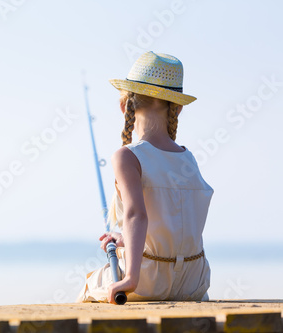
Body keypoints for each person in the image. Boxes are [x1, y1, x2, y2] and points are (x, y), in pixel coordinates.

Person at [76, 51, 213, 303]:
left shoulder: (127, 156)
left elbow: (136, 215)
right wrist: (125, 240)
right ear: (178, 109)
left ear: (124, 105)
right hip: (195, 280)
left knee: (89, 285)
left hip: (148, 281)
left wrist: (131, 278)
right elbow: (171, 227)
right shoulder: (189, 159)